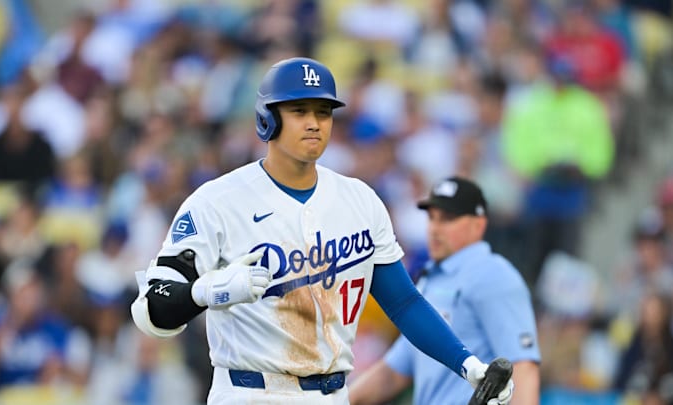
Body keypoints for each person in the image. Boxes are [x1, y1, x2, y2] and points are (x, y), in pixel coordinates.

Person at [130, 57, 514, 405]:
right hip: (250, 392)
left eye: (323, 111)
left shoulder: (360, 200)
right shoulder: (216, 201)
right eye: (299, 110)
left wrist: (467, 365)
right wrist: (207, 290)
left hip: (333, 394)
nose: (314, 122)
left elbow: (403, 302)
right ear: (269, 118)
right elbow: (152, 309)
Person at [349, 176, 541, 405]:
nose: (435, 229)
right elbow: (393, 372)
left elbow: (523, 366)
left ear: (478, 224)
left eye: (448, 219)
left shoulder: (494, 275)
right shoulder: (431, 279)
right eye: (432, 218)